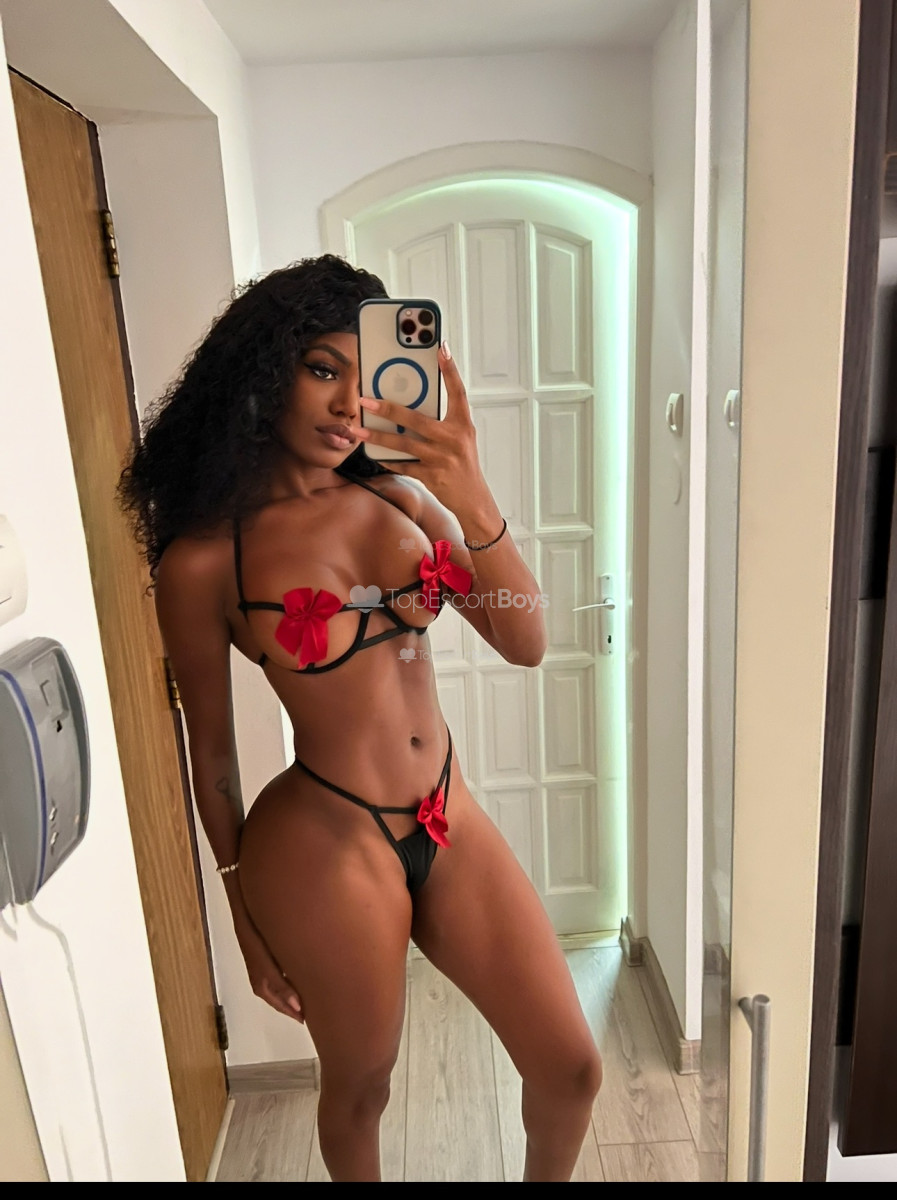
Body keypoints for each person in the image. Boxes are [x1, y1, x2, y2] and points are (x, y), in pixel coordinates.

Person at [118, 255, 602, 1182]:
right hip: (324, 838)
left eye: (362, 374)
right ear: (265, 375)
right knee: (361, 1089)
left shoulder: (400, 497)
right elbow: (209, 754)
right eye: (320, 369)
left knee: (570, 1069)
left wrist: (470, 489)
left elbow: (525, 640)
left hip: (445, 813)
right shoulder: (203, 562)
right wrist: (241, 914)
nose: (347, 405)